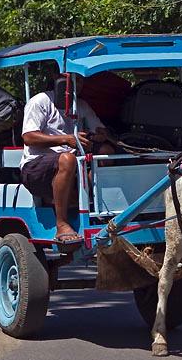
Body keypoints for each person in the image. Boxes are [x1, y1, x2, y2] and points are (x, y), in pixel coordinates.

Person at [20, 64, 116, 244]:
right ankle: (61, 223)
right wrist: (66, 139)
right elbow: (29, 137)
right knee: (67, 158)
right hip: (36, 168)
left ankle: (95, 207)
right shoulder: (40, 101)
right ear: (59, 78)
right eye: (74, 80)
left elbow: (100, 128)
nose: (78, 85)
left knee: (106, 152)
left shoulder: (81, 104)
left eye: (81, 80)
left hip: (73, 165)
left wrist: (101, 135)